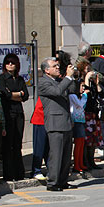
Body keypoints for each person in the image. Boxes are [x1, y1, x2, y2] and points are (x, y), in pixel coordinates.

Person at [38, 57, 78, 192]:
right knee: (56, 154)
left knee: (66, 155)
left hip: (66, 121)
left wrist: (71, 77)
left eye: (58, 66)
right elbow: (57, 92)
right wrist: (67, 77)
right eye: (54, 66)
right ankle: (53, 182)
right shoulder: (43, 82)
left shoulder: (60, 80)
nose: (57, 68)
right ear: (46, 70)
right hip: (55, 122)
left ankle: (62, 180)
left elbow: (72, 89)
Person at [0, 53, 29, 181]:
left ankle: (19, 173)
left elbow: (25, 95)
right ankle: (8, 174)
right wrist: (17, 94)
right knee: (7, 144)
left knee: (17, 144)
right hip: (7, 113)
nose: (10, 65)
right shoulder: (2, 78)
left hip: (19, 113)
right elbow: (6, 94)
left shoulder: (20, 79)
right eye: (8, 63)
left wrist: (15, 94)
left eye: (13, 63)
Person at [82, 64, 104, 169]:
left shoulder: (93, 84)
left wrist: (97, 84)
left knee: (93, 140)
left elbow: (101, 96)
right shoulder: (81, 83)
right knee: (87, 140)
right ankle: (86, 161)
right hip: (86, 115)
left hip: (94, 115)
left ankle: (91, 161)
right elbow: (86, 97)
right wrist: (86, 79)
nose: (89, 71)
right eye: (86, 69)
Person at [92, 44, 104, 150]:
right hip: (103, 94)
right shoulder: (103, 62)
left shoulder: (97, 61)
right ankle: (103, 143)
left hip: (101, 93)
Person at [70, 75, 88, 173]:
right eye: (81, 86)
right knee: (78, 143)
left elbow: (83, 106)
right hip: (76, 121)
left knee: (81, 143)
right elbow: (80, 104)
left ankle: (80, 163)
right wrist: (85, 95)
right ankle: (76, 165)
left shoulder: (78, 97)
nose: (83, 88)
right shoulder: (72, 96)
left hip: (81, 120)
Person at [30, 96, 48, 180]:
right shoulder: (47, 89)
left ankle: (51, 169)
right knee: (39, 147)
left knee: (48, 148)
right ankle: (36, 170)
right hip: (40, 119)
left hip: (48, 121)